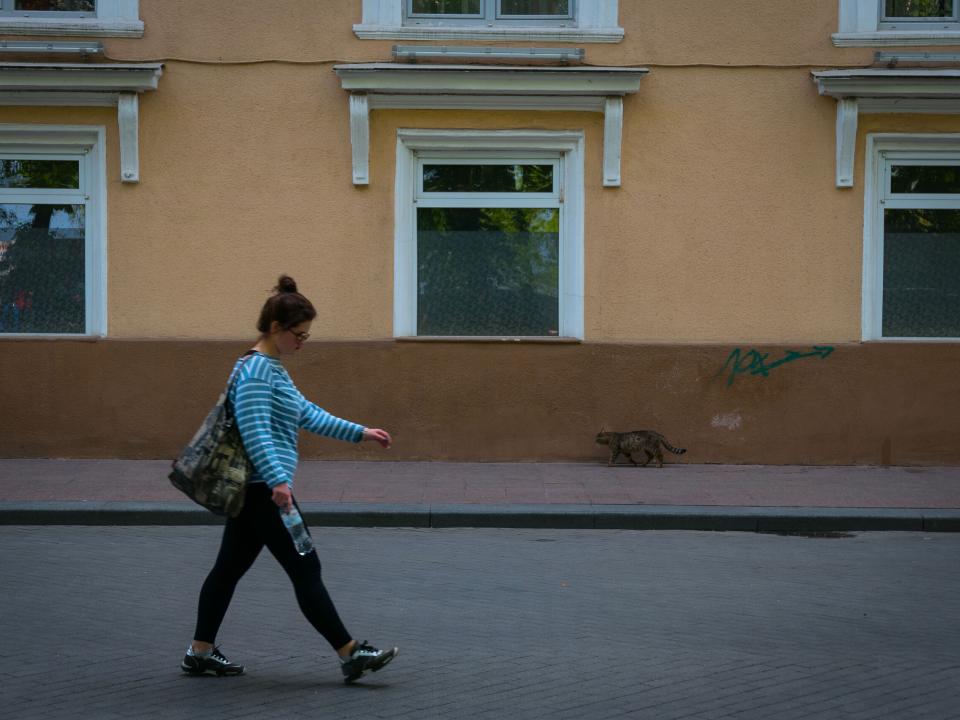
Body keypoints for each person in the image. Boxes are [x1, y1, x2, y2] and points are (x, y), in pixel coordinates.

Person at [181, 275, 397, 684]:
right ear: (276, 329)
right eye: (298, 335)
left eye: (307, 336)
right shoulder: (259, 371)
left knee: (227, 571)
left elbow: (307, 413)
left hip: (257, 490)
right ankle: (350, 653)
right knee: (306, 568)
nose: (302, 343)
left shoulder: (269, 367)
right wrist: (280, 482)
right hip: (265, 490)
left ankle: (200, 653)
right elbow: (254, 429)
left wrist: (360, 432)